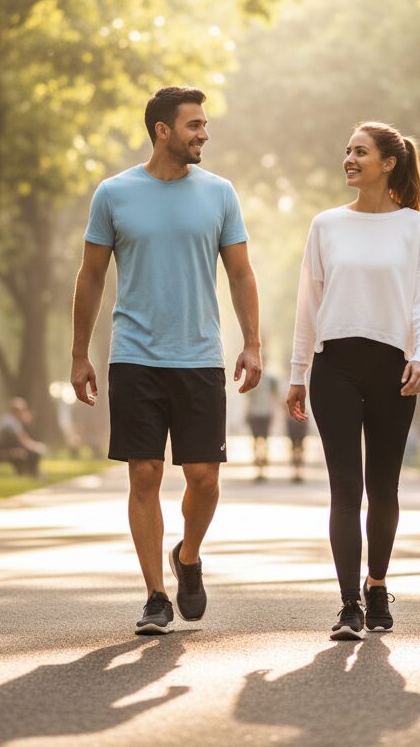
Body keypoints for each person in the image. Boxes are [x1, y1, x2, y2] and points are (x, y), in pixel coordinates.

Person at [70, 86, 262, 636]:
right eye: (194, 125)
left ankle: (189, 556)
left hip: (200, 355)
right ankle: (155, 594)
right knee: (145, 472)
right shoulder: (113, 193)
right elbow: (91, 276)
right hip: (134, 356)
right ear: (162, 130)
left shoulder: (220, 193)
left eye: (204, 125)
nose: (204, 134)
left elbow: (241, 273)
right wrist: (79, 353)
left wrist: (252, 343)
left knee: (203, 478)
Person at [287, 121, 420, 641]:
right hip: (334, 367)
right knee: (345, 488)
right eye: (347, 151)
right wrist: (297, 373)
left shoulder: (416, 228)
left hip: (392, 369)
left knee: (383, 486)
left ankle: (378, 586)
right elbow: (308, 303)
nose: (349, 159)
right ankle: (349, 604)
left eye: (360, 152)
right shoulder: (326, 225)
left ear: (388, 162)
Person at [0, 397, 46, 476]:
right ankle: (34, 474)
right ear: (17, 411)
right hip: (2, 450)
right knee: (34, 452)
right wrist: (34, 446)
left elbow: (22, 438)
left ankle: (32, 473)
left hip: (2, 448)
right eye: (23, 410)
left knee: (33, 450)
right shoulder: (11, 422)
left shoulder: (10, 419)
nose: (24, 413)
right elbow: (22, 439)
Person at [245, 375, 277, 481]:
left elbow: (274, 396)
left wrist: (274, 412)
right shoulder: (250, 377)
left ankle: (263, 464)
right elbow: (246, 395)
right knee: (255, 440)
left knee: (265, 440)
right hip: (254, 413)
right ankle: (257, 464)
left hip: (265, 413)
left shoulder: (271, 379)